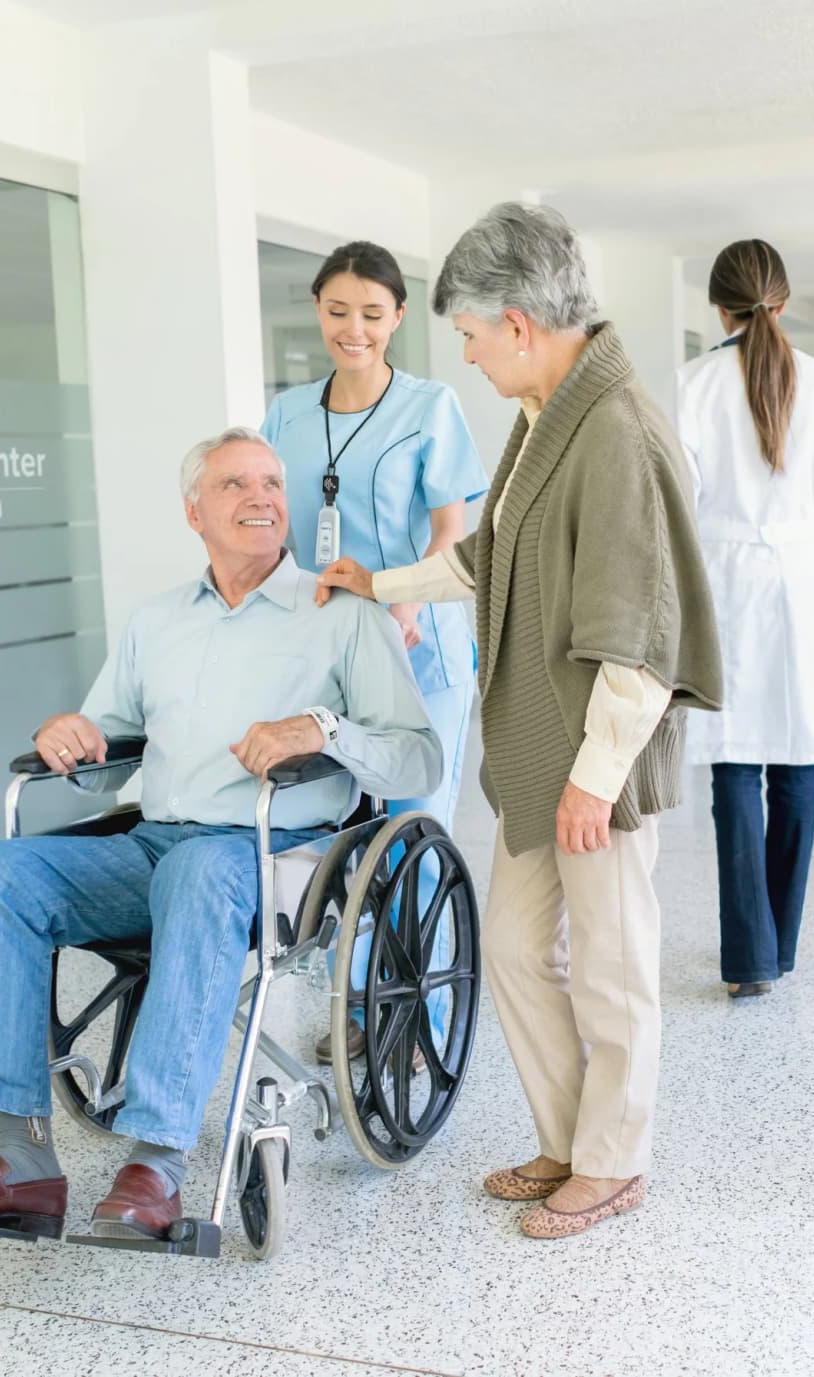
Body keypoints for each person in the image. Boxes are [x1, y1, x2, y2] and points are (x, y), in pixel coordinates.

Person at [0, 429, 439, 1242]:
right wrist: (73, 737)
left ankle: (156, 1164)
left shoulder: (343, 617)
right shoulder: (157, 621)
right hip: (152, 842)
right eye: (235, 485)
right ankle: (21, 1162)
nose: (261, 498)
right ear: (194, 511)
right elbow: (112, 749)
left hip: (267, 855)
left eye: (271, 483)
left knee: (199, 874)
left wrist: (322, 729)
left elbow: (418, 757)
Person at [317, 202, 722, 1240]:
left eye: (468, 334)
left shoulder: (616, 427)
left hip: (596, 757)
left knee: (613, 961)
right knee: (509, 947)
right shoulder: (549, 417)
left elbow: (639, 626)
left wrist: (596, 778)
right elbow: (493, 554)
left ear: (521, 323)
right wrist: (383, 580)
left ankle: (615, 1160)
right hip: (541, 743)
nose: (466, 354)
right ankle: (570, 1139)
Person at [260, 240, 488, 1061]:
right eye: (336, 310)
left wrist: (408, 596)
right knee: (344, 834)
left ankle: (416, 1015)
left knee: (412, 828)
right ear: (317, 309)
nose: (351, 329)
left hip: (416, 645)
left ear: (396, 318)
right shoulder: (287, 413)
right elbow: (275, 525)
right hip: (327, 651)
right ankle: (356, 1007)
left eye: (371, 313)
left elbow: (451, 528)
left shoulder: (430, 406)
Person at [675, 239, 814, 999]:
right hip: (802, 578)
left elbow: (680, 498)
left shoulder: (692, 381)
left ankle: (748, 956)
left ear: (718, 308)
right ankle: (781, 945)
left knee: (735, 766)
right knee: (796, 759)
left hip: (726, 580)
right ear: (782, 303)